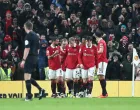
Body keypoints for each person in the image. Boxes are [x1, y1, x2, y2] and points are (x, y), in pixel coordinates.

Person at [20, 21, 45, 101]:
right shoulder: (37, 36)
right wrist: (35, 57)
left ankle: (29, 96)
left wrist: (23, 60)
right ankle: (41, 90)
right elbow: (38, 49)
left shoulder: (28, 36)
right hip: (35, 58)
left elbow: (27, 48)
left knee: (26, 77)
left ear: (25, 27)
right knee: (29, 77)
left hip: (29, 57)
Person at [94, 30, 108, 98]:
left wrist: (94, 52)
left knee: (101, 76)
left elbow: (101, 51)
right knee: (100, 76)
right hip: (100, 61)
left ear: (96, 36)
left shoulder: (101, 42)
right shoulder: (101, 42)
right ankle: (105, 92)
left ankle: (104, 93)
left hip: (102, 61)